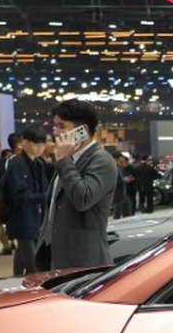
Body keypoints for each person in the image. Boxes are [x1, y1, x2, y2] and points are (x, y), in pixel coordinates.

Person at [43, 99, 119, 270]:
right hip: (58, 258)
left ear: (82, 130)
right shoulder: (69, 159)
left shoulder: (102, 160)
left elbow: (83, 199)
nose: (55, 132)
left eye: (61, 126)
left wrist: (64, 160)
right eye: (55, 126)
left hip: (85, 262)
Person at [2, 127, 55, 275]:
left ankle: (17, 278)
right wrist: (45, 196)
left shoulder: (38, 163)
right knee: (33, 263)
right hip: (22, 217)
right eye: (35, 144)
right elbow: (19, 195)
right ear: (24, 143)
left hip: (36, 216)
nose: (39, 148)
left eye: (42, 144)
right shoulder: (16, 163)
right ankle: (27, 284)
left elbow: (44, 188)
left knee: (23, 253)